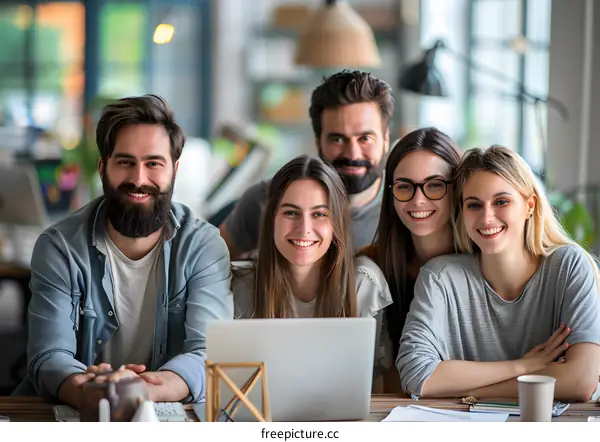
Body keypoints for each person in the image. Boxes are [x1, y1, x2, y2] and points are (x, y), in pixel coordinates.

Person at [15, 95, 234, 408]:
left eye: (153, 164)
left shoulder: (203, 246)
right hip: (73, 413)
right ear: (103, 167)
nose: (139, 179)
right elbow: (49, 357)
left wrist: (144, 391)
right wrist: (91, 391)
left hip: (166, 415)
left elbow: (210, 354)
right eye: (125, 162)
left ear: (174, 168)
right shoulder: (59, 246)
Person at [397, 145, 600, 402]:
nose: (487, 217)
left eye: (501, 201)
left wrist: (476, 393)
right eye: (474, 205)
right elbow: (416, 375)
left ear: (529, 206)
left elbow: (580, 382)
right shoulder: (440, 277)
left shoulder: (568, 266)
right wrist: (523, 366)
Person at [231, 155, 392, 386]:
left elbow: (374, 386)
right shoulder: (240, 286)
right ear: (272, 218)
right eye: (291, 212)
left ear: (336, 223)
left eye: (319, 214)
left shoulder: (363, 283)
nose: (304, 229)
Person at [219, 70, 395, 259]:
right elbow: (208, 267)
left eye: (365, 138)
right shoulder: (265, 199)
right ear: (318, 142)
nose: (352, 153)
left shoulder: (408, 209)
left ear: (385, 140)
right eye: (337, 139)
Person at [361, 127, 461, 384]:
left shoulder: (485, 262)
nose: (418, 200)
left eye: (435, 185)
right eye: (405, 187)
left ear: (457, 189)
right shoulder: (369, 268)